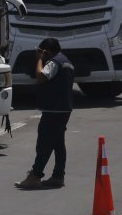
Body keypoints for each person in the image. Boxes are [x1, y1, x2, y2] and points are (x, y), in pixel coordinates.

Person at [15, 37, 76, 190]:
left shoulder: (54, 62)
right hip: (63, 108)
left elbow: (41, 77)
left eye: (41, 52)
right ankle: (58, 176)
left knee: (44, 143)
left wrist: (39, 60)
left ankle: (35, 175)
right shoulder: (67, 62)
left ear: (47, 52)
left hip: (53, 110)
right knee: (58, 143)